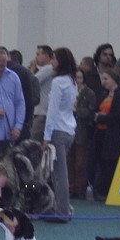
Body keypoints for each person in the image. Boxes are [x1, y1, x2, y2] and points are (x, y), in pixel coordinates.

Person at [42, 47, 79, 221]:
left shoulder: (58, 82)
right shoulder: (72, 80)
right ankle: (63, 208)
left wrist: (46, 136)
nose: (52, 62)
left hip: (57, 130)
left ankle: (62, 211)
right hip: (69, 129)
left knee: (59, 174)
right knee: (60, 173)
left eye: (54, 59)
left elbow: (52, 111)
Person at [90, 67, 120, 201]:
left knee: (109, 163)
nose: (104, 81)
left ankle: (106, 190)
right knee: (99, 161)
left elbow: (117, 117)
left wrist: (100, 118)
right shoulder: (103, 94)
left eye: (106, 79)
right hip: (100, 132)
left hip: (111, 135)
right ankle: (99, 189)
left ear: (114, 80)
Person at [70, 67, 97, 198]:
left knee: (80, 163)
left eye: (80, 78)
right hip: (69, 131)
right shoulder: (68, 91)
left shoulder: (89, 93)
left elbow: (90, 113)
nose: (77, 81)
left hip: (82, 131)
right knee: (69, 161)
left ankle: (80, 189)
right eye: (75, 78)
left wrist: (76, 110)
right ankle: (70, 188)